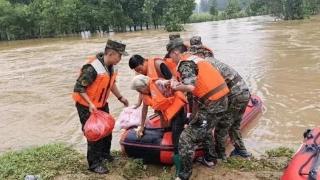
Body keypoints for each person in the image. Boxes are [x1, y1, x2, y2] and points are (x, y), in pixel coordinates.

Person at [167, 38, 230, 180]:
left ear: (176, 52)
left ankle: (184, 175)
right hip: (218, 100)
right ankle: (210, 159)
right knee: (204, 128)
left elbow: (190, 87)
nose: (170, 59)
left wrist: (175, 87)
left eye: (170, 55)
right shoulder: (194, 58)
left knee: (185, 138)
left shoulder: (185, 63)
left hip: (213, 103)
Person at [188, 36, 252, 160]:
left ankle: (221, 156)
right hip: (244, 93)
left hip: (234, 96)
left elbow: (213, 89)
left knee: (221, 127)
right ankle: (241, 151)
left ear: (198, 55)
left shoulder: (206, 65)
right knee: (235, 125)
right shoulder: (213, 60)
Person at [72, 39, 129, 174]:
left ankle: (105, 154)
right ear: (111, 53)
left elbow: (111, 83)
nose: (120, 58)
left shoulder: (112, 66)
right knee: (94, 134)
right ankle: (94, 163)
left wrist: (120, 97)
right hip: (87, 106)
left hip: (101, 104)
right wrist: (90, 104)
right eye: (119, 55)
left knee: (107, 129)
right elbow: (79, 87)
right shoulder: (92, 68)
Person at [129, 55, 186, 177]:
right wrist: (142, 127)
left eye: (139, 90)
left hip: (178, 110)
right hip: (168, 114)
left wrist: (169, 84)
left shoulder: (158, 83)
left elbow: (169, 82)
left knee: (177, 141)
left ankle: (180, 172)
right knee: (168, 130)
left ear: (144, 86)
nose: (139, 93)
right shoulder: (145, 93)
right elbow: (144, 110)